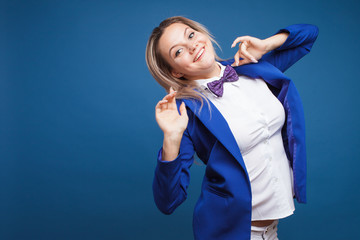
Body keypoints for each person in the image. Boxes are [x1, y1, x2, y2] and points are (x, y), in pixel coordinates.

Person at [145, 16, 318, 240]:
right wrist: (171, 137)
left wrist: (266, 44)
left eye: (191, 35)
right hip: (231, 234)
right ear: (175, 72)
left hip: (271, 232)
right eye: (178, 51)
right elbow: (168, 201)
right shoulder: (185, 112)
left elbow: (308, 35)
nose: (192, 45)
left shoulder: (250, 66)